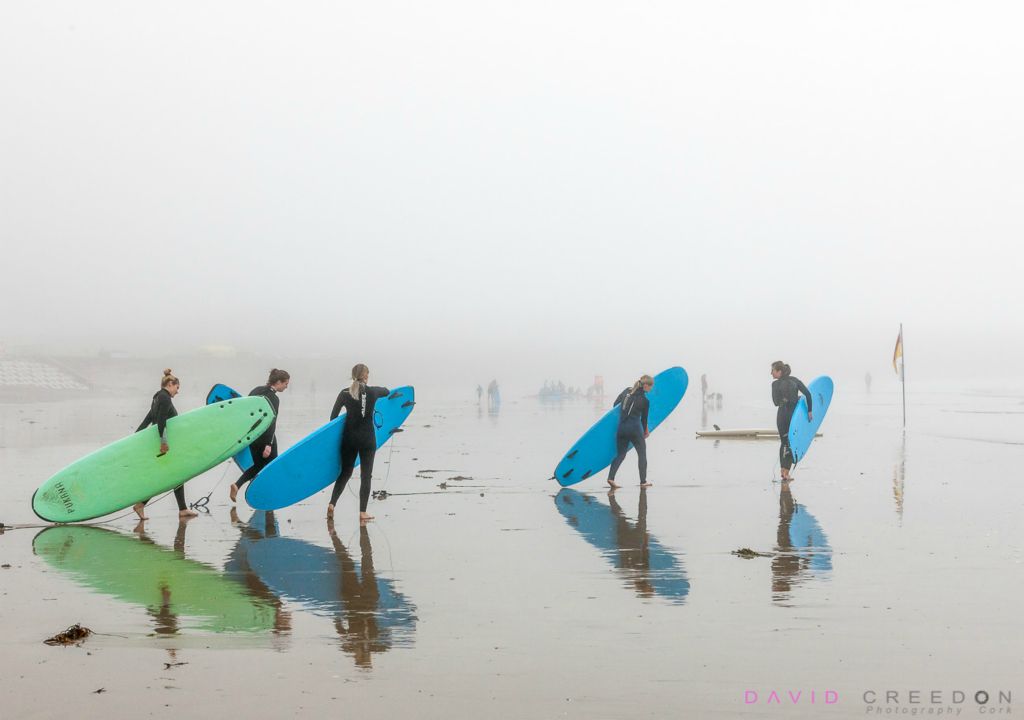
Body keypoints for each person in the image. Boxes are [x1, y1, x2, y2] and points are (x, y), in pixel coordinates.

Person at [327, 364, 389, 522]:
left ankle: (332, 504)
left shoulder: (344, 393)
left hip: (349, 439)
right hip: (367, 440)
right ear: (366, 375)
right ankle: (363, 513)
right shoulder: (373, 391)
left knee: (345, 472)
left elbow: (333, 417)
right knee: (366, 476)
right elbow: (387, 391)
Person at [133, 369, 198, 520]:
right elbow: (160, 421)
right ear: (170, 384)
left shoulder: (157, 396)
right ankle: (141, 504)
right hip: (164, 445)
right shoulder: (165, 398)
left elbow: (149, 417)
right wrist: (163, 443)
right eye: (177, 387)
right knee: (167, 477)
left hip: (164, 444)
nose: (178, 391)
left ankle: (182, 509)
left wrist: (136, 436)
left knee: (176, 475)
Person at [229, 369, 290, 502]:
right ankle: (267, 494)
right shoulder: (274, 398)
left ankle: (238, 485)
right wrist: (269, 444)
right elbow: (271, 422)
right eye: (285, 383)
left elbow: (246, 411)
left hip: (252, 436)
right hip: (266, 437)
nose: (286, 387)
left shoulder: (256, 390)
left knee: (258, 465)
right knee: (272, 465)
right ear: (278, 382)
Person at [607, 374, 654, 489]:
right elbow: (644, 419)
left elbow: (615, 405)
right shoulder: (645, 401)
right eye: (651, 386)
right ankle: (643, 482)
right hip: (635, 430)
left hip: (622, 428)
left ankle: (611, 478)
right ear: (646, 386)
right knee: (642, 454)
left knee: (621, 454)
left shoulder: (626, 391)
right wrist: (645, 432)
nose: (651, 388)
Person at [770, 361, 813, 481]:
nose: (771, 373)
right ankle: (786, 473)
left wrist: (785, 399)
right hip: (793, 417)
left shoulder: (775, 385)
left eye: (772, 370)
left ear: (779, 371)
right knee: (791, 443)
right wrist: (809, 411)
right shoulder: (795, 381)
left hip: (781, 416)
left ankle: (783, 471)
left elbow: (776, 402)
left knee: (784, 442)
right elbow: (808, 394)